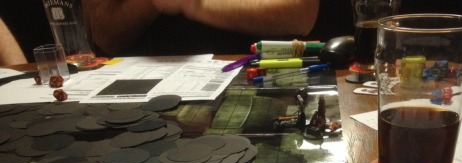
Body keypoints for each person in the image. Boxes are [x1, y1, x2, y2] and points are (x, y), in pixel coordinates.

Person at [89, 0, 322, 57]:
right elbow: (105, 36)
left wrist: (196, 6)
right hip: (145, 88)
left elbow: (302, 14)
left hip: (255, 71)